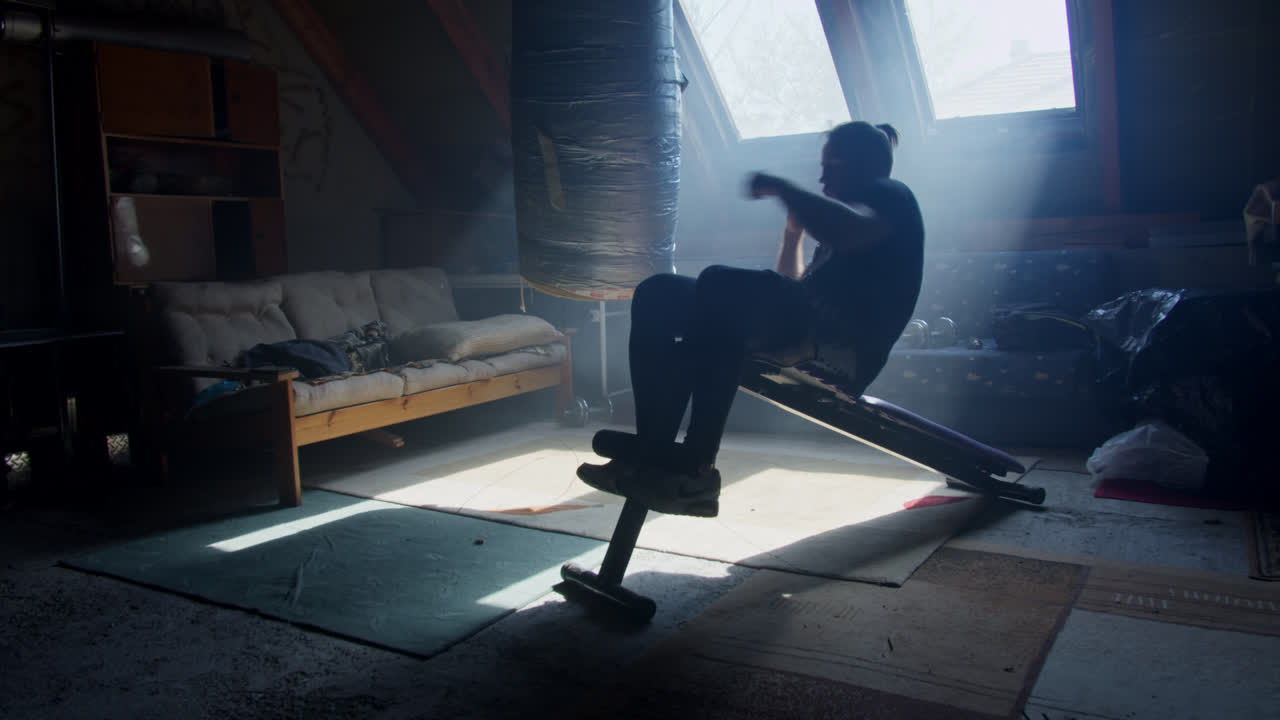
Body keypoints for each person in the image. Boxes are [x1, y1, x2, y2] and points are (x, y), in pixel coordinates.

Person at [578, 121, 925, 517]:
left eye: (834, 165)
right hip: (806, 327)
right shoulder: (846, 224)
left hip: (840, 351)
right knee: (658, 293)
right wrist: (792, 237)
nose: (823, 176)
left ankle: (694, 467)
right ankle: (655, 456)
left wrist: (784, 188)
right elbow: (790, 285)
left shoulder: (890, 195)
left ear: (865, 167)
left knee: (719, 285)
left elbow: (846, 237)